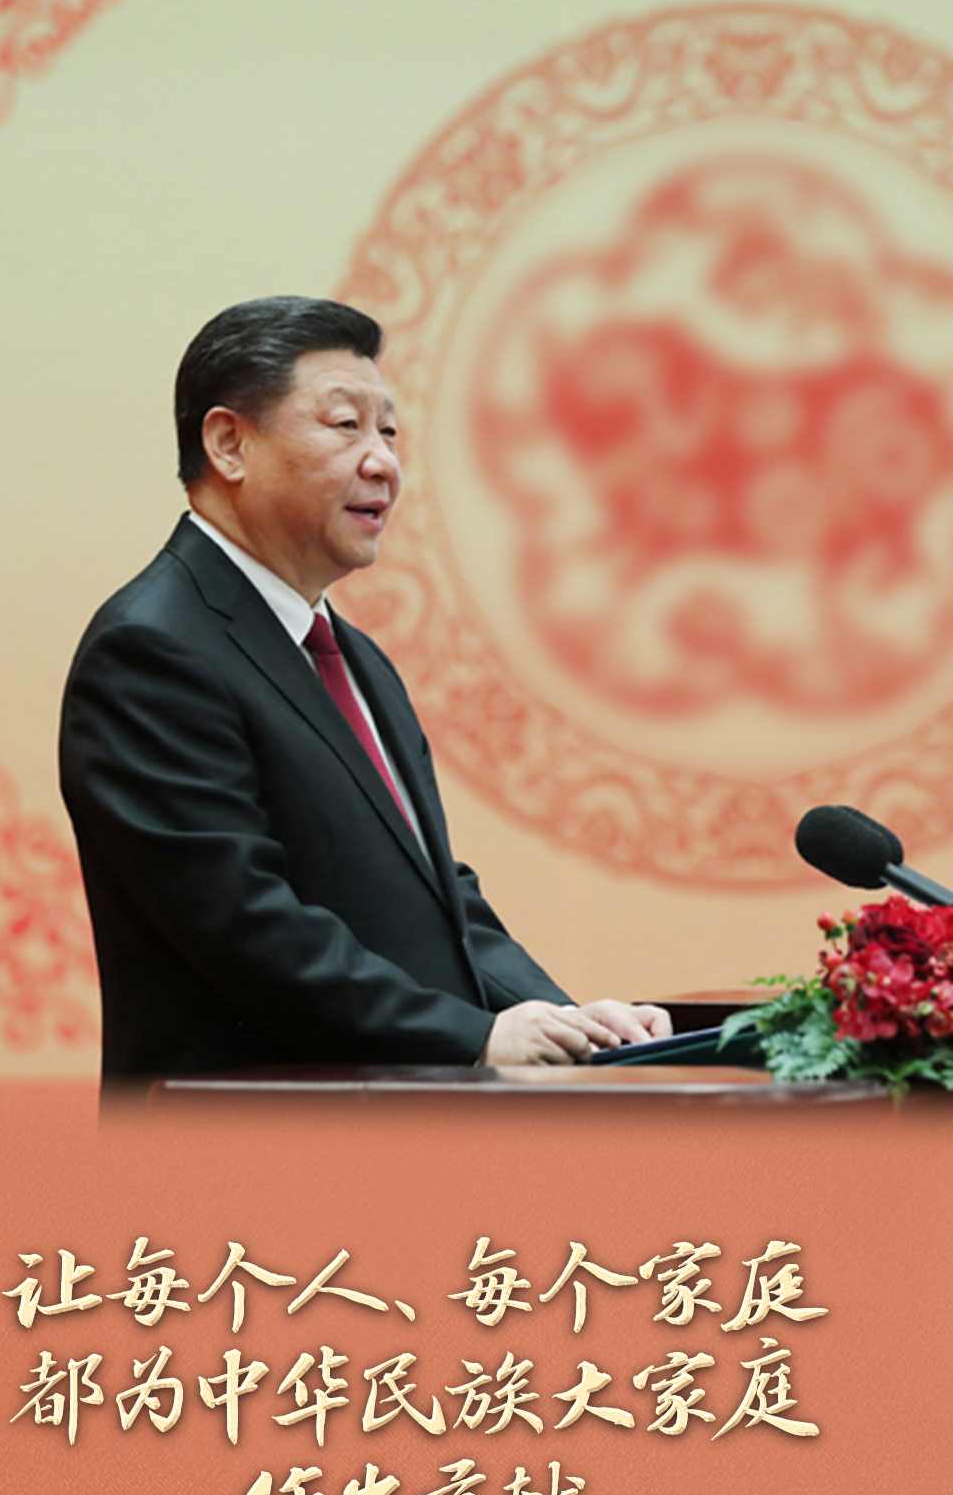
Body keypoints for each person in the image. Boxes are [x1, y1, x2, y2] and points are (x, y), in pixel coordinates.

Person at [59, 296, 671, 1081]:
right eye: (346, 426)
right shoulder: (152, 650)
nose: (383, 462)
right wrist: (471, 1039)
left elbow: (438, 904)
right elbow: (245, 926)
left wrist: (564, 1019)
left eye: (388, 431)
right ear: (229, 444)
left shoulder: (355, 658)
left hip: (396, 1126)